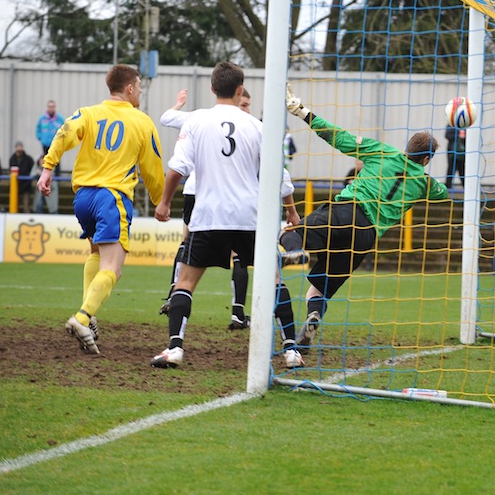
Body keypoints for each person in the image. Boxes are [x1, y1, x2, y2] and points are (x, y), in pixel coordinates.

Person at [151, 62, 303, 369]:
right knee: (273, 280)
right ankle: (290, 350)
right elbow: (279, 174)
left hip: (209, 216)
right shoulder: (258, 127)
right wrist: (292, 211)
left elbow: (176, 169)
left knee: (185, 282)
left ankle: (175, 349)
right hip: (249, 219)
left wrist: (165, 203)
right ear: (239, 90)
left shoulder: (196, 121)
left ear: (211, 88)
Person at [278, 84, 448, 353]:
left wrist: (303, 112)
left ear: (407, 148)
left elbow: (339, 137)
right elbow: (444, 193)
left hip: (347, 211)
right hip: (366, 236)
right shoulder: (425, 183)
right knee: (320, 287)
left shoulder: (383, 152)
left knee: (290, 232)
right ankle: (313, 319)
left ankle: (297, 252)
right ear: (426, 159)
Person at [36, 65, 165, 354]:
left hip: (83, 198)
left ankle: (89, 316)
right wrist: (161, 201)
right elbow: (153, 168)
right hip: (111, 198)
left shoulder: (89, 112)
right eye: (140, 86)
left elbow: (63, 133)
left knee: (95, 254)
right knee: (113, 269)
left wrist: (47, 169)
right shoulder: (142, 121)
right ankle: (82, 318)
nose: (141, 91)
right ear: (129, 89)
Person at [158, 87, 259, 330]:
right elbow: (166, 119)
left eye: (247, 105)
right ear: (235, 96)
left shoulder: (204, 118)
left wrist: (179, 106)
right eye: (243, 104)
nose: (244, 109)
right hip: (207, 194)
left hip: (202, 194)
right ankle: (236, 311)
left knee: (189, 244)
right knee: (215, 250)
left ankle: (179, 294)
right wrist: (179, 104)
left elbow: (167, 119)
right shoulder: (245, 124)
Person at [36, 100, 65, 174]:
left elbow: (65, 130)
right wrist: (41, 138)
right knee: (46, 160)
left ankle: (57, 178)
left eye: (52, 107)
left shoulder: (60, 119)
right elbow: (38, 129)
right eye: (50, 107)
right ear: (47, 107)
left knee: (57, 161)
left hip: (56, 144)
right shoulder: (42, 119)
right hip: (45, 143)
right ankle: (46, 176)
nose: (51, 108)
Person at [9, 141, 35, 213]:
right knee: (14, 205)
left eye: (20, 147)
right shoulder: (12, 159)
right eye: (18, 147)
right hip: (15, 185)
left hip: (26, 186)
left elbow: (32, 171)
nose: (19, 149)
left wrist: (28, 183)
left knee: (26, 206)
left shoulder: (28, 159)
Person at [444, 124, 466, 189]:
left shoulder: (465, 124)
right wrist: (458, 135)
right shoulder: (451, 124)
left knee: (462, 170)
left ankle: (466, 187)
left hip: (462, 153)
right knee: (451, 169)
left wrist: (464, 136)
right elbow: (447, 136)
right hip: (452, 152)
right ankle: (448, 187)